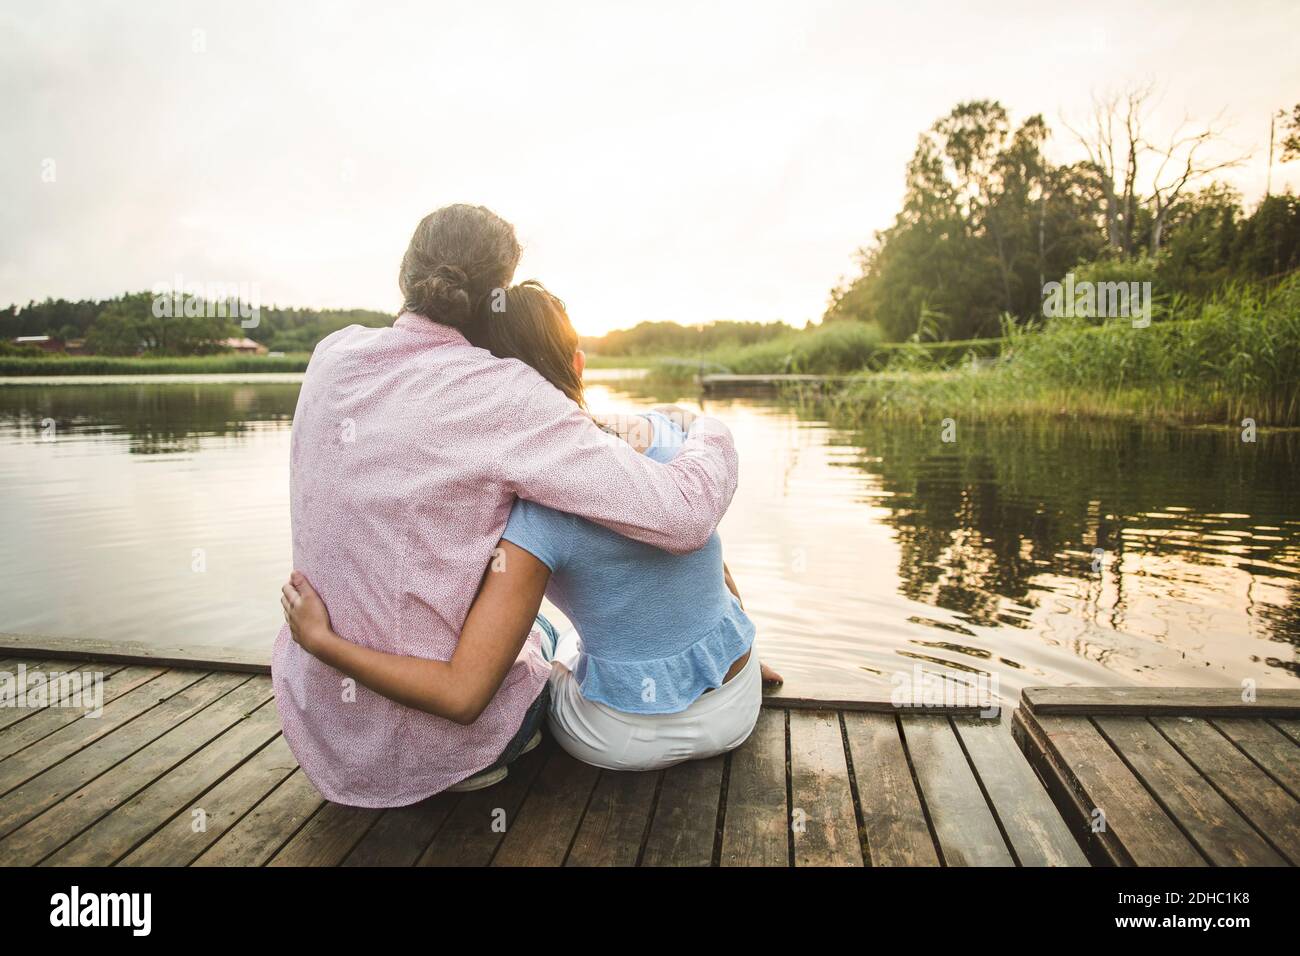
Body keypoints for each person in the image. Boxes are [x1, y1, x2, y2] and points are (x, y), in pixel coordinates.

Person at [272, 205, 740, 806]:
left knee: (519, 604)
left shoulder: (330, 355)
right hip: (445, 742)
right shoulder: (505, 392)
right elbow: (682, 516)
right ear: (501, 292)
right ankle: (477, 763)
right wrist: (707, 429)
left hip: (322, 734)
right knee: (542, 631)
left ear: (404, 276)